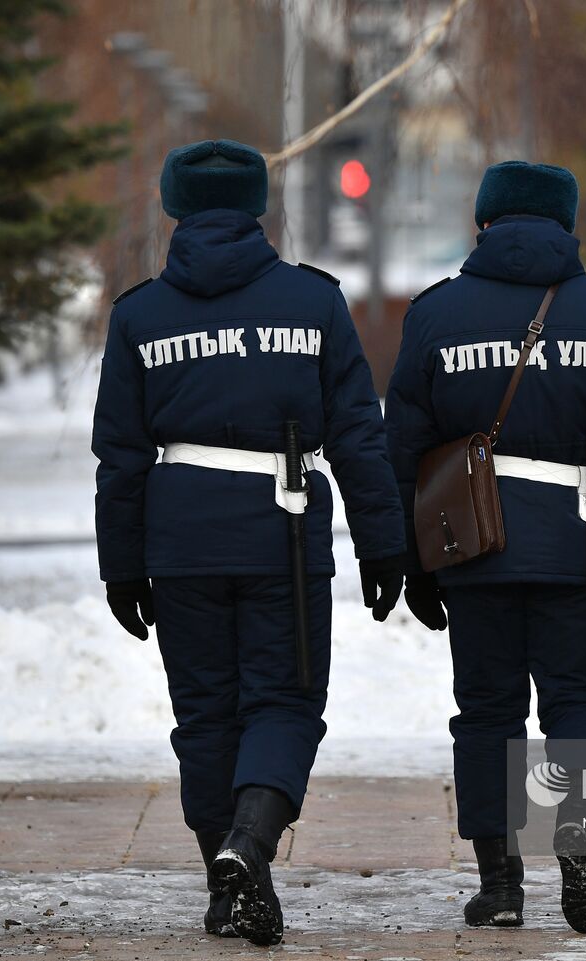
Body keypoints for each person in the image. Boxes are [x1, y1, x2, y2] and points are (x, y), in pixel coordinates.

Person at [92, 139, 405, 946]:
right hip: (282, 530)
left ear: (174, 205)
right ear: (258, 205)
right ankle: (250, 844)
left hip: (180, 534)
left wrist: (121, 563)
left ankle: (230, 882)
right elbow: (359, 437)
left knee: (205, 712)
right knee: (286, 699)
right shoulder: (314, 302)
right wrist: (382, 542)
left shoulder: (139, 315)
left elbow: (120, 456)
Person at [384, 161, 586, 934]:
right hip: (577, 546)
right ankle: (580, 843)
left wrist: (409, 558)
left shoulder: (435, 315)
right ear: (567, 224)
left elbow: (403, 449)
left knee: (487, 713)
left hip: (471, 543)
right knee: (583, 702)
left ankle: (499, 881)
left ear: (483, 223)